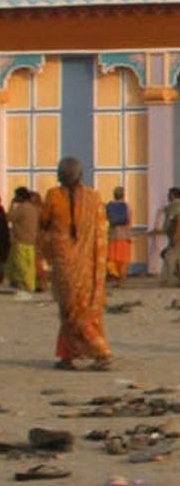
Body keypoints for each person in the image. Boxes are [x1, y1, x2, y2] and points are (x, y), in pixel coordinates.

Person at [38, 157, 112, 370]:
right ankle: (67, 355)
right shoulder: (94, 197)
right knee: (82, 309)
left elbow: (43, 225)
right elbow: (101, 230)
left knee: (71, 310)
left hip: (64, 264)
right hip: (89, 265)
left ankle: (101, 351)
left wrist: (45, 251)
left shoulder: (53, 196)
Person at [156, 187, 180, 287]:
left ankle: (168, 280)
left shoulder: (176, 207)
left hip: (177, 237)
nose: (167, 197)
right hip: (179, 237)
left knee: (169, 258)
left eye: (169, 194)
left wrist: (176, 237)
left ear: (172, 195)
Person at [7, 187, 39, 292]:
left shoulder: (21, 208)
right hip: (32, 240)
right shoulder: (34, 208)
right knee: (30, 265)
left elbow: (10, 217)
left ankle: (25, 286)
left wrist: (12, 205)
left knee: (21, 265)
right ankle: (30, 285)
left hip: (21, 240)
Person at [105, 186, 132, 285]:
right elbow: (129, 221)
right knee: (123, 260)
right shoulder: (127, 206)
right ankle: (121, 279)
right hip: (124, 236)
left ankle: (114, 274)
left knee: (111, 258)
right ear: (123, 195)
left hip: (112, 236)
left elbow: (106, 218)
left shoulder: (109, 206)